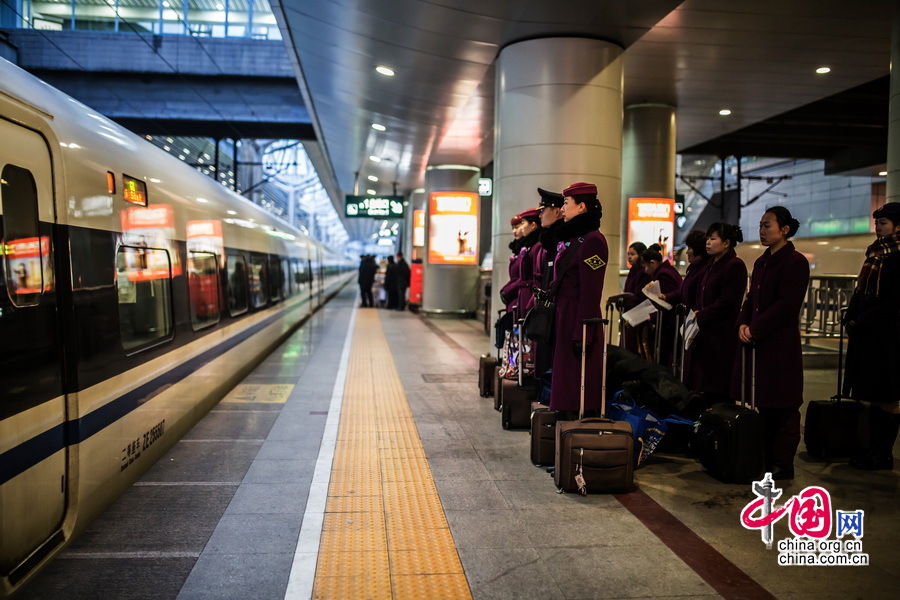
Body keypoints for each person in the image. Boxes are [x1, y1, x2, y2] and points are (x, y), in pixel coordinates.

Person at [736, 206, 810, 481]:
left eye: (768, 225)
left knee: (785, 405)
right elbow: (750, 299)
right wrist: (743, 323)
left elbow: (787, 305)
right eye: (761, 225)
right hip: (760, 343)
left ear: (785, 230)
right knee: (764, 403)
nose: (762, 230)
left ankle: (783, 463)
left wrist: (755, 328)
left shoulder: (795, 262)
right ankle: (766, 458)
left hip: (780, 344)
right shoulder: (761, 261)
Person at [843, 201, 900, 470]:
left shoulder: (898, 255)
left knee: (888, 394)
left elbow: (893, 300)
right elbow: (863, 290)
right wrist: (851, 315)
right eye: (877, 223)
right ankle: (874, 449)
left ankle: (883, 453)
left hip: (890, 335)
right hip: (872, 335)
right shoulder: (876, 253)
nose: (878, 228)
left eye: (884, 223)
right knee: (875, 392)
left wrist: (863, 320)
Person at [548, 182, 608, 418]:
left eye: (566, 203)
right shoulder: (576, 238)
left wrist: (583, 332)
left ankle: (573, 422)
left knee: (576, 378)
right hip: (566, 315)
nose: (562, 209)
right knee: (565, 375)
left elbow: (591, 292)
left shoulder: (593, 241)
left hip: (578, 319)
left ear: (581, 206)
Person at [682, 223, 747, 404]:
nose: (708, 242)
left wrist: (700, 315)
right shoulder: (711, 264)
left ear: (726, 243)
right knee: (704, 385)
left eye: (713, 238)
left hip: (722, 336)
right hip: (706, 334)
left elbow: (728, 302)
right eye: (708, 238)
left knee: (719, 387)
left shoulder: (735, 266)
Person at [531, 187, 566, 382]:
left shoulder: (562, 242)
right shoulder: (550, 242)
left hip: (557, 311)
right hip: (547, 310)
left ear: (557, 211)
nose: (540, 214)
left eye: (543, 210)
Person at [640, 243, 682, 365]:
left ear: (652, 262)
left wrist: (653, 316)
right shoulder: (668, 269)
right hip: (671, 322)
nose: (645, 271)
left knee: (667, 358)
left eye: (646, 267)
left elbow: (670, 300)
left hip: (670, 323)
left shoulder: (663, 274)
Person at [664, 229, 709, 310]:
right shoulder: (693, 269)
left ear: (698, 249)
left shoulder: (704, 271)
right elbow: (683, 292)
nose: (687, 252)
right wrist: (666, 297)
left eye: (689, 248)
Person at [620, 241, 650, 353]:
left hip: (638, 314)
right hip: (628, 312)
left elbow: (640, 295)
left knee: (634, 346)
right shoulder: (632, 270)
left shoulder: (643, 271)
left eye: (632, 254)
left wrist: (625, 301)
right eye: (628, 254)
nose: (629, 257)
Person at [512, 208, 542, 316]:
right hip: (524, 294)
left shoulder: (537, 246)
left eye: (522, 223)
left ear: (533, 225)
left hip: (529, 295)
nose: (520, 228)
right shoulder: (529, 246)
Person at [499, 215, 526, 317]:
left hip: (519, 298)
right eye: (513, 228)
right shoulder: (517, 249)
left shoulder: (527, 249)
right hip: (514, 297)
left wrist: (507, 290)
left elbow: (523, 277)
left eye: (517, 227)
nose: (514, 231)